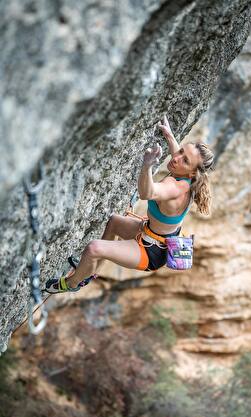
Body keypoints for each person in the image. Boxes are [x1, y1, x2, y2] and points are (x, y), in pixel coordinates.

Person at [45, 115, 214, 293]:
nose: (177, 157)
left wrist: (147, 165)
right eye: (181, 151)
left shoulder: (175, 188)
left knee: (93, 248)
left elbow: (146, 193)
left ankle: (71, 284)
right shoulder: (189, 176)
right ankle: (91, 271)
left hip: (151, 252)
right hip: (151, 233)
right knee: (114, 222)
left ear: (192, 173)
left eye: (185, 159)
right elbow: (179, 157)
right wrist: (170, 136)